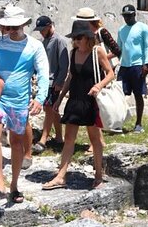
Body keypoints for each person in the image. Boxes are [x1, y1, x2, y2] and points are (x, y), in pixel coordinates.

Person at [0, 6, 49, 204]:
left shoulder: (35, 46)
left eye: (15, 27)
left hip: (19, 101)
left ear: (23, 25)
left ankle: (14, 185)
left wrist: (40, 98)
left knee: (17, 143)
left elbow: (44, 74)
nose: (11, 30)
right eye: (7, 27)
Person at [42, 20, 114, 190]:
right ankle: (61, 176)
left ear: (88, 37)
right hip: (75, 99)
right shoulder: (73, 52)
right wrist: (59, 99)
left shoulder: (98, 52)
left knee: (95, 139)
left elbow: (110, 73)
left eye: (79, 37)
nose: (76, 41)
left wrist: (98, 86)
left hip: (91, 101)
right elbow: (70, 77)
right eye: (74, 38)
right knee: (69, 139)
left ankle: (98, 175)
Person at [73, 7, 123, 142]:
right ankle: (97, 142)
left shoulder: (102, 32)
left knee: (98, 106)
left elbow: (117, 50)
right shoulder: (82, 35)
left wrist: (99, 58)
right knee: (93, 108)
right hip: (90, 72)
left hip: (101, 72)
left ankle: (98, 141)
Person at [32, 15, 69, 153]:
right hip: (44, 81)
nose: (41, 32)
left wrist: (60, 82)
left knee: (48, 109)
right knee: (53, 109)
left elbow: (64, 64)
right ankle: (59, 138)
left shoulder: (60, 41)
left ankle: (43, 140)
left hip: (54, 82)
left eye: (43, 29)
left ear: (49, 26)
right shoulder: (43, 42)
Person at [117, 5, 148, 133]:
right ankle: (117, 122)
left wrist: (146, 63)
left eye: (129, 15)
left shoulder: (143, 28)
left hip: (138, 65)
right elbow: (119, 49)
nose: (126, 18)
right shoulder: (121, 30)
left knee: (138, 95)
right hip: (124, 66)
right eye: (125, 16)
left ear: (134, 15)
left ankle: (138, 123)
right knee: (119, 94)